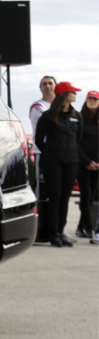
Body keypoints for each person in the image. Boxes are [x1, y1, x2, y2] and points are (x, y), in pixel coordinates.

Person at [33, 82, 91, 247]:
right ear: (64, 95)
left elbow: (78, 139)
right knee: (55, 197)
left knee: (65, 198)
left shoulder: (76, 116)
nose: (75, 95)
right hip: (52, 162)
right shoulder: (48, 116)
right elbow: (39, 139)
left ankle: (60, 231)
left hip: (71, 161)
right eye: (72, 92)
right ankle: (53, 235)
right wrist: (51, 152)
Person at [30, 76, 58, 241]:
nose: (48, 86)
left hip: (60, 155)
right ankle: (39, 230)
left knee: (57, 193)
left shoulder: (62, 107)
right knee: (41, 192)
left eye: (50, 83)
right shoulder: (37, 107)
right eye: (44, 84)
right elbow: (52, 125)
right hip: (42, 153)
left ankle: (55, 229)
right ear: (40, 88)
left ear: (56, 86)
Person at [75, 90, 99, 243]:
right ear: (86, 100)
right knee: (86, 195)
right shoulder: (80, 118)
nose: (92, 101)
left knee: (91, 196)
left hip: (97, 165)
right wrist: (86, 161)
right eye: (90, 98)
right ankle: (89, 227)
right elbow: (76, 142)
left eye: (95, 99)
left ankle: (80, 226)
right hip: (83, 163)